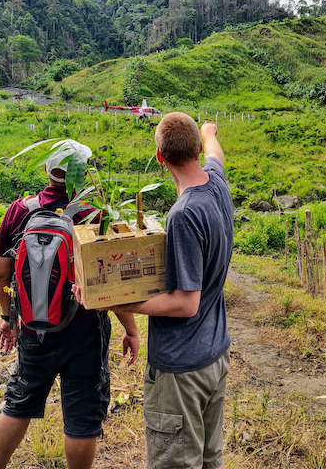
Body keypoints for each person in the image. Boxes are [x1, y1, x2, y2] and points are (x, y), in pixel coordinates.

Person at [0, 139, 139, 469]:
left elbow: (1, 273)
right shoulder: (94, 214)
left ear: (46, 168)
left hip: (33, 327)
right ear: (85, 174)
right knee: (82, 415)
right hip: (84, 331)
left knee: (20, 400)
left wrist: (8, 318)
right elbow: (112, 288)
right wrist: (132, 330)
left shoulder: (20, 211)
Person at [99, 114, 233, 469]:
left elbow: (186, 303)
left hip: (182, 370)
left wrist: (120, 300)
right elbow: (217, 154)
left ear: (160, 157)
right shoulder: (217, 184)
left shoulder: (185, 214)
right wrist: (209, 131)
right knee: (209, 458)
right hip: (214, 356)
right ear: (198, 149)